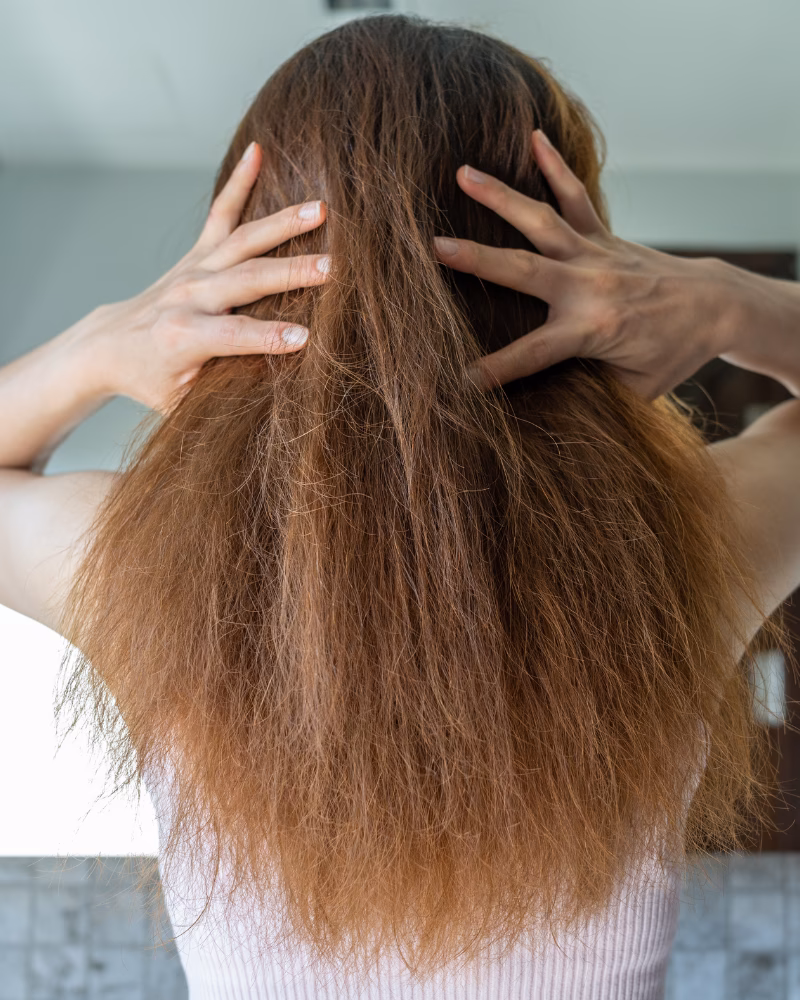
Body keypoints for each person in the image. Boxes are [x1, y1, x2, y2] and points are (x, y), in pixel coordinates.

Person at [1, 12, 799, 999]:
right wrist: (734, 303)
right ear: (569, 256)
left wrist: (92, 346)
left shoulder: (140, 569)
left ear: (246, 273)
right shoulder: (685, 547)